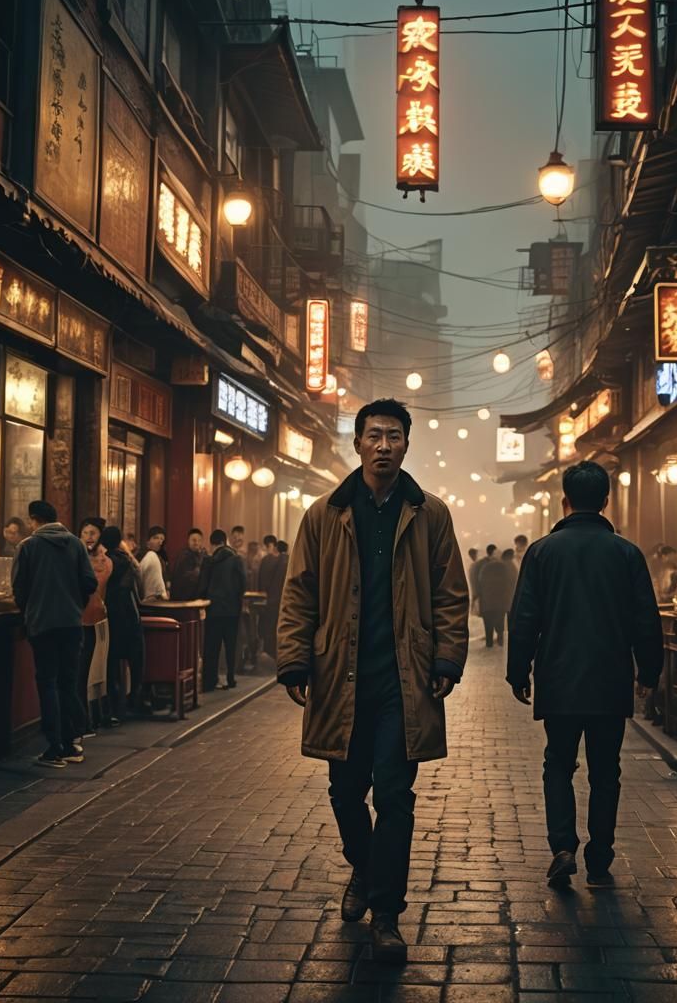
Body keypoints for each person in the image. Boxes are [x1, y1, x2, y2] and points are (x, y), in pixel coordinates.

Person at [278, 398, 468, 964]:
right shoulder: (323, 514)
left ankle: (386, 912)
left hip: (403, 683)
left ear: (407, 445)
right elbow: (300, 592)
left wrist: (445, 661)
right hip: (341, 677)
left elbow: (451, 594)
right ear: (357, 444)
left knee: (395, 796)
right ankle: (362, 866)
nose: (384, 445)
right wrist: (294, 660)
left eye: (394, 436)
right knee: (344, 791)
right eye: (374, 436)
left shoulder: (429, 514)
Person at [508, 461, 662, 889]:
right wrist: (649, 672)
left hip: (558, 677)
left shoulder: (541, 552)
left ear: (565, 500)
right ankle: (600, 858)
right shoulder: (627, 554)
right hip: (610, 679)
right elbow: (646, 621)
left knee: (558, 762)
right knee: (605, 770)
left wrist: (518, 670)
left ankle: (562, 845)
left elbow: (523, 618)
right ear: (606, 501)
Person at [11, 501, 97, 769]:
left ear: (34, 520)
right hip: (72, 624)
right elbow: (90, 582)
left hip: (43, 625)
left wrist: (32, 609)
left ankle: (54, 747)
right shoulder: (76, 544)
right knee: (67, 682)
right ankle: (72, 742)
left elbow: (19, 588)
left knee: (47, 682)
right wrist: (74, 605)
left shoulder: (27, 547)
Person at [99, 525, 145, 722]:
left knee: (111, 663)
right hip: (129, 615)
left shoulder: (103, 561)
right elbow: (138, 590)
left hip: (110, 616)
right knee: (135, 659)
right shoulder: (128, 561)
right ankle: (134, 700)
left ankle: (113, 706)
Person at [77, 518, 113, 737]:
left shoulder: (105, 562)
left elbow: (94, 584)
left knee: (89, 674)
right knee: (80, 674)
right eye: (85, 532)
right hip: (77, 620)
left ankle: (88, 720)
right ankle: (84, 721)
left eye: (93, 532)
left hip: (94, 620)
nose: (89, 536)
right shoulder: (75, 557)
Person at [199, 528, 246, 690]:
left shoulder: (209, 561)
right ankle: (230, 678)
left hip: (213, 610)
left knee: (212, 646)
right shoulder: (236, 559)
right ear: (224, 541)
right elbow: (243, 584)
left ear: (212, 544)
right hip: (232, 610)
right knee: (231, 646)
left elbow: (202, 585)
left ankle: (210, 681)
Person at [478, 546, 518, 648]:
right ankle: (500, 642)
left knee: (488, 625)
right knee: (500, 624)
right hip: (501, 602)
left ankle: (489, 643)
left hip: (487, 602)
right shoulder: (505, 568)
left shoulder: (485, 568)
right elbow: (509, 584)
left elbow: (480, 583)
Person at [170, 528, 206, 600]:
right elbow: (193, 577)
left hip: (192, 598)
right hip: (183, 598)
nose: (196, 543)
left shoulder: (199, 555)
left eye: (199, 540)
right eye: (194, 540)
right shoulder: (184, 556)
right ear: (188, 541)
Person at [139, 526, 169, 601]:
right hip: (148, 597)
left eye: (162, 539)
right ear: (148, 541)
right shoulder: (145, 555)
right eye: (156, 538)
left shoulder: (162, 558)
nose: (159, 541)